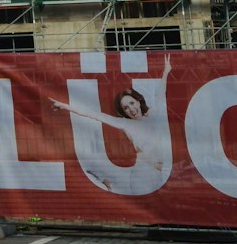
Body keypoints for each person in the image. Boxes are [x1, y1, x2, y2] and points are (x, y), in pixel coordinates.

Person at [52, 55, 172, 193]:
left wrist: (166, 72)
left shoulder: (155, 116)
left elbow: (160, 94)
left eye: (132, 103)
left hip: (161, 174)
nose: (131, 109)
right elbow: (94, 115)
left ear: (138, 101)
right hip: (143, 176)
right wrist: (65, 106)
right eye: (126, 108)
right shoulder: (126, 124)